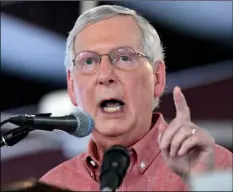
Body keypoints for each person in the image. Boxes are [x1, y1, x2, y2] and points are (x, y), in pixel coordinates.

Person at [40, 5, 232, 191]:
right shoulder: (53, 185)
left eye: (124, 58)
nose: (105, 75)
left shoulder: (214, 170)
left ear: (157, 78)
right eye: (88, 61)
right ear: (72, 86)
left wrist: (203, 184)